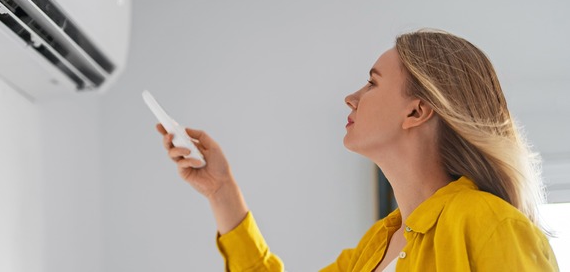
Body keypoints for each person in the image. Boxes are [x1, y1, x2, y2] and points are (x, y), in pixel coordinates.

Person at [157, 29, 558, 271]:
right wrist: (221, 191)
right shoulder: (377, 246)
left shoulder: (490, 224)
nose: (352, 97)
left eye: (372, 83)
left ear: (417, 110)